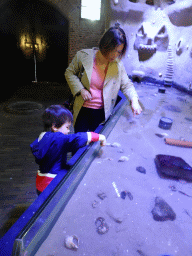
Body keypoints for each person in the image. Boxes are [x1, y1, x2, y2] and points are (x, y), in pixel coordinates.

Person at [65, 25, 142, 132]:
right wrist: (81, 89)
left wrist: (134, 100)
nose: (115, 55)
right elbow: (69, 73)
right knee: (80, 142)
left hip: (103, 112)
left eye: (119, 52)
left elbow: (127, 85)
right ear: (105, 45)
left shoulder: (118, 65)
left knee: (96, 144)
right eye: (113, 50)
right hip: (82, 109)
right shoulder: (83, 56)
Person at [30, 105, 106, 195]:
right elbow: (75, 139)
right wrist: (99, 137)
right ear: (54, 127)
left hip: (40, 181)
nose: (69, 131)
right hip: (53, 182)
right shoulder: (57, 138)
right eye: (67, 127)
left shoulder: (42, 137)